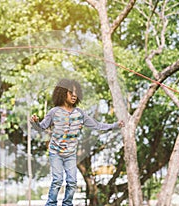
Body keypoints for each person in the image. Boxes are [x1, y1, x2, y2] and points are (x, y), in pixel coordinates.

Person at [30, 78, 124, 206]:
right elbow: (41, 128)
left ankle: (67, 204)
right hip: (56, 152)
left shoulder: (79, 114)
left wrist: (115, 125)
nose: (74, 95)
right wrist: (35, 122)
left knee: (72, 181)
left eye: (76, 93)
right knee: (57, 180)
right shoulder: (54, 112)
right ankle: (51, 204)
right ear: (63, 93)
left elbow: (97, 125)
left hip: (70, 154)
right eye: (71, 92)